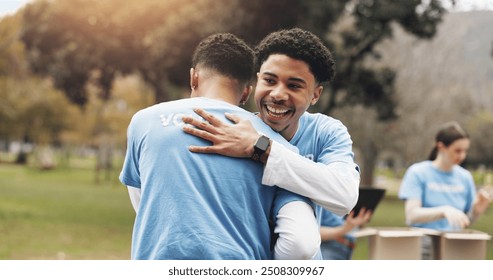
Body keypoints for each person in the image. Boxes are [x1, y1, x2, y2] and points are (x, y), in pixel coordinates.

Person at [119, 33, 320, 260]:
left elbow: (144, 202)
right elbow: (302, 244)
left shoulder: (144, 122)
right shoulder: (275, 147)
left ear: (194, 78)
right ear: (246, 93)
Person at [181, 28, 360, 218]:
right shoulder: (231, 130)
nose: (277, 95)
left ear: (315, 95)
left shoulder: (327, 132)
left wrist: (260, 147)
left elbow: (344, 197)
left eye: (294, 86)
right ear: (258, 80)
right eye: (269, 80)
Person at [398, 121, 492, 259]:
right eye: (457, 150)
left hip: (455, 245)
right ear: (441, 147)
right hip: (423, 246)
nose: (462, 156)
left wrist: (477, 211)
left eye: (465, 151)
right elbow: (412, 215)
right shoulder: (418, 172)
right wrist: (444, 211)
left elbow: (465, 221)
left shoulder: (465, 177)